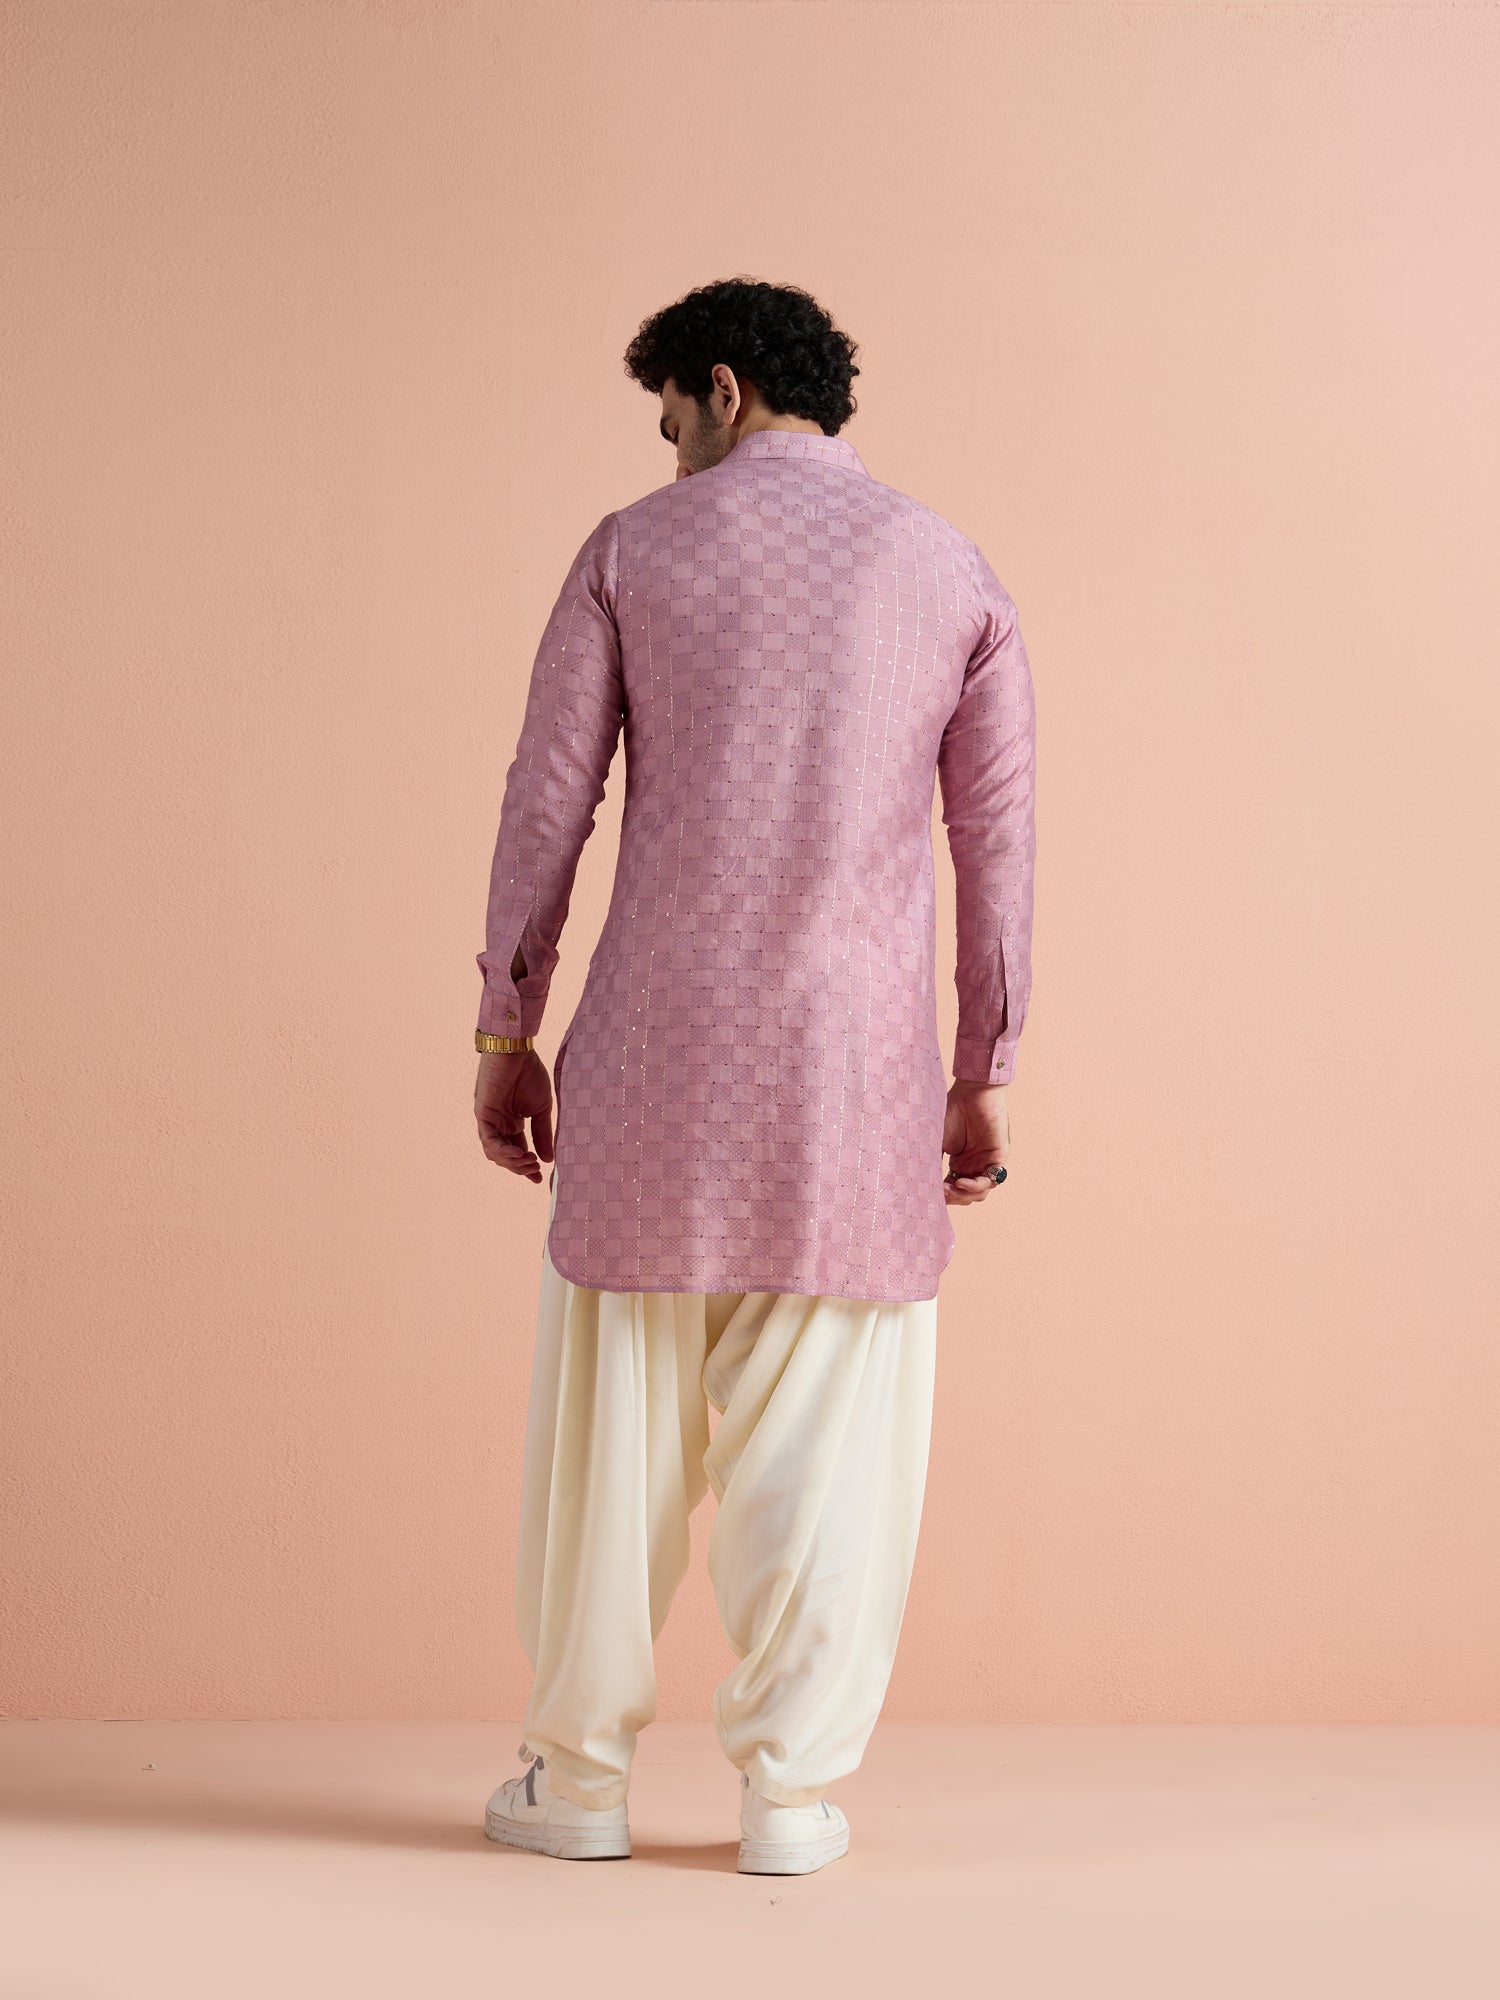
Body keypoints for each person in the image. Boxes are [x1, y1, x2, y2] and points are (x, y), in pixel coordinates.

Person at [471, 278, 1036, 1874]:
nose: (670, 459)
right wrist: (983, 1066)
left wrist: (507, 1026)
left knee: (612, 1447)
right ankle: (789, 1793)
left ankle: (577, 1784)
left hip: (653, 1069)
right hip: (854, 1085)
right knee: (831, 1449)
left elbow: (548, 799)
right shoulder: (949, 569)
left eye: (672, 426)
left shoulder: (632, 554)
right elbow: (997, 840)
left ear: (721, 390)